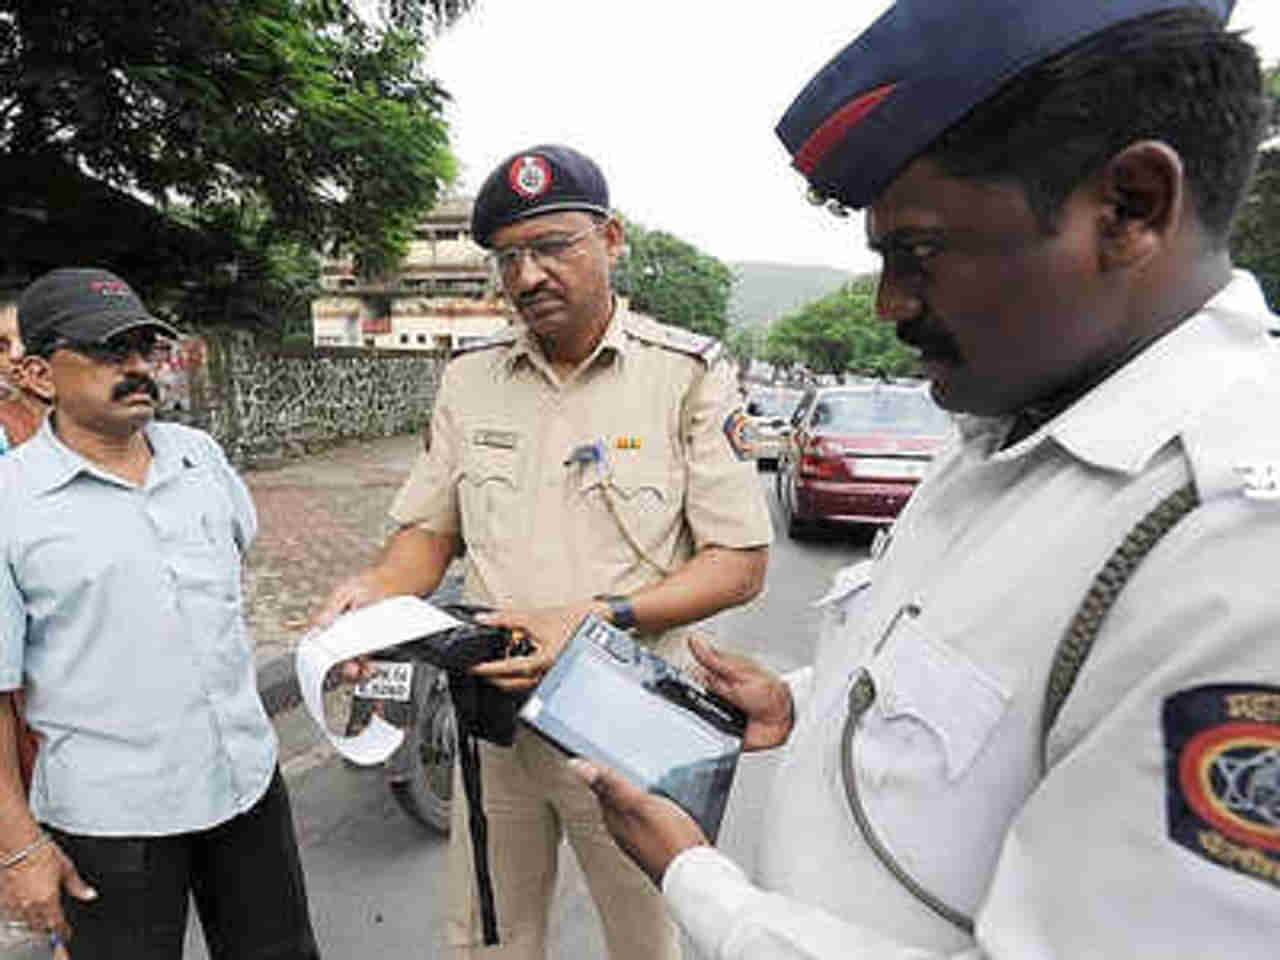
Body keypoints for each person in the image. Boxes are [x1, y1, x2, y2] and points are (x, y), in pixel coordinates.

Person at [572, 2, 1280, 957]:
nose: (889, 305)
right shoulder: (1015, 424)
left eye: (918, 252)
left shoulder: (1236, 549)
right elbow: (974, 688)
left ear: (1132, 207)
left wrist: (698, 884)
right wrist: (802, 698)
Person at [318, 144, 772, 958]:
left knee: (646, 941)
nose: (527, 277)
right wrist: (371, 599)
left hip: (631, 721)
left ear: (612, 239)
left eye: (554, 246)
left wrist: (595, 618)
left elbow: (739, 564)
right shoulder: (470, 378)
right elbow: (426, 536)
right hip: (494, 729)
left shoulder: (687, 374)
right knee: (491, 937)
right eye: (509, 258)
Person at [0, 268, 320, 959]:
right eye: (111, 351)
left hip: (246, 784)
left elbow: (227, 587)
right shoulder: (10, 503)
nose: (139, 367)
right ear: (38, 373)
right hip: (114, 823)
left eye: (146, 348)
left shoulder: (199, 459)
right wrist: (19, 848)